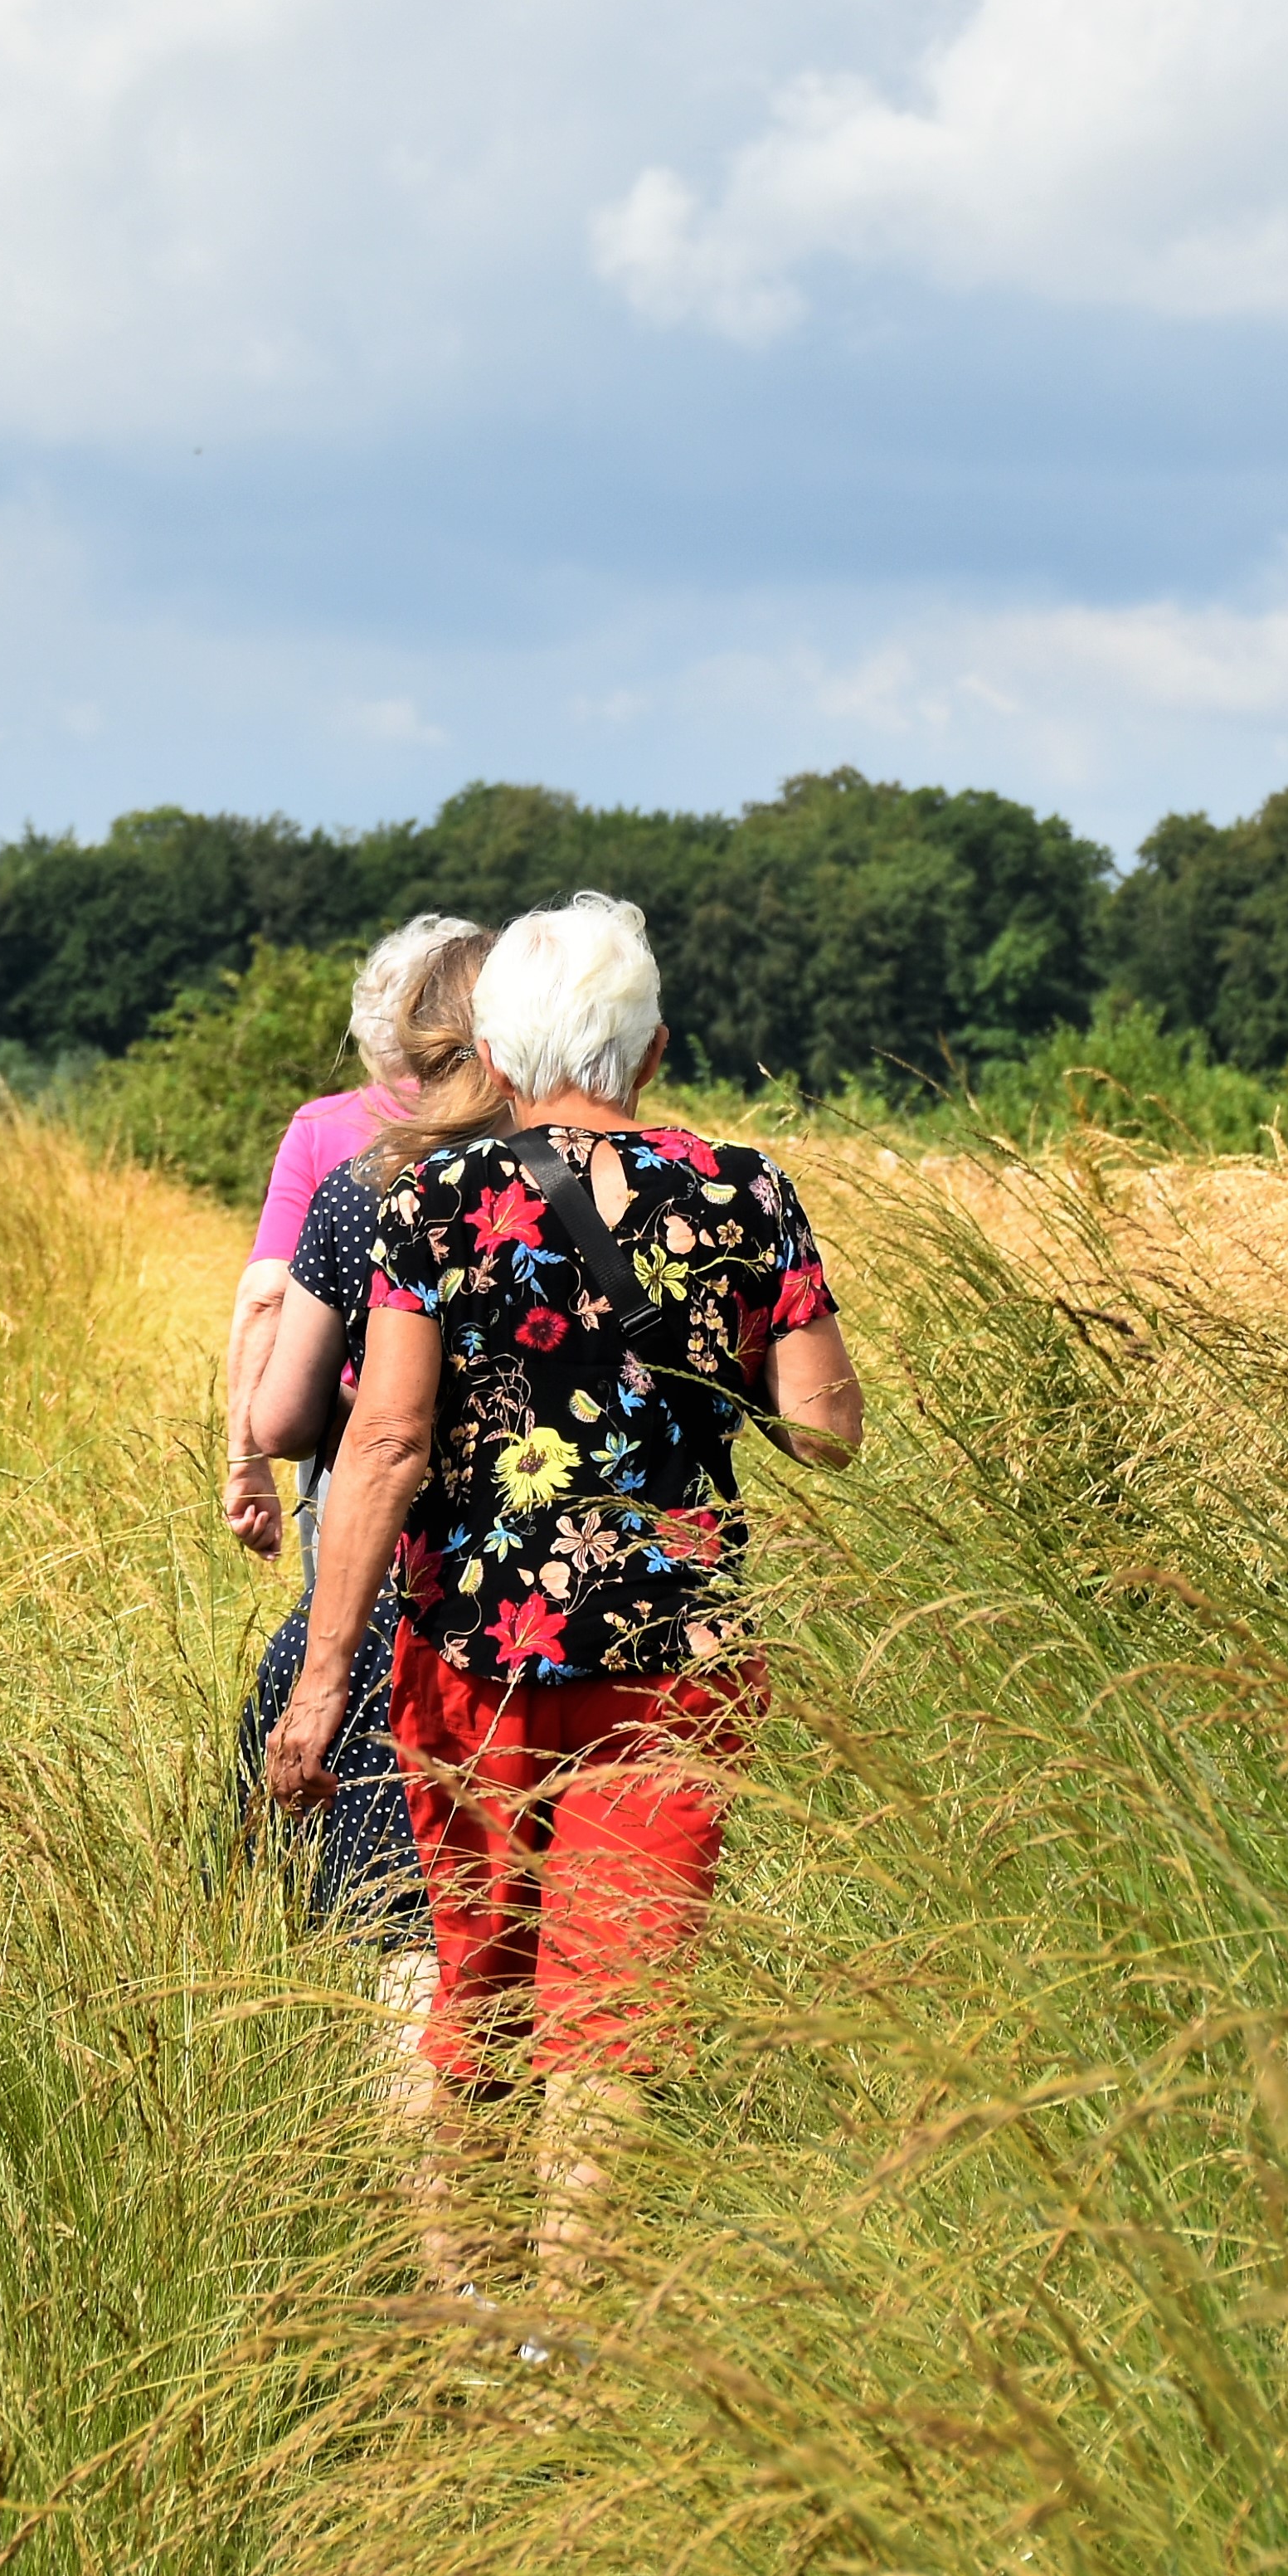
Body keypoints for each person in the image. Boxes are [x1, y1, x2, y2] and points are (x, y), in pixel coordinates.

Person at [265, 893, 863, 2295]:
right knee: (617, 2004)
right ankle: (570, 2341)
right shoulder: (746, 1190)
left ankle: (469, 2309)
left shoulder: (429, 1199)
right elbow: (825, 1430)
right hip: (672, 1657)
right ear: (649, 1047)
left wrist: (321, 1677)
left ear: (498, 1053)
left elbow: (385, 1442)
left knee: (476, 1988)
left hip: (471, 1654)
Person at [227, 922, 503, 1950]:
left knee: (402, 1888)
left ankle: (390, 2020)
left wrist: (253, 1452)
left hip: (407, 1579)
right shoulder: (668, 1182)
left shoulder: (368, 1185)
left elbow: (289, 1411)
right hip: (608, 1610)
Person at [221, 913, 484, 1560]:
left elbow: (267, 1296)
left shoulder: (323, 1127)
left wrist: (246, 1459)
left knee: (349, 1612)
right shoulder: (522, 1124)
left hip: (354, 1435)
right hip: (507, 1436)